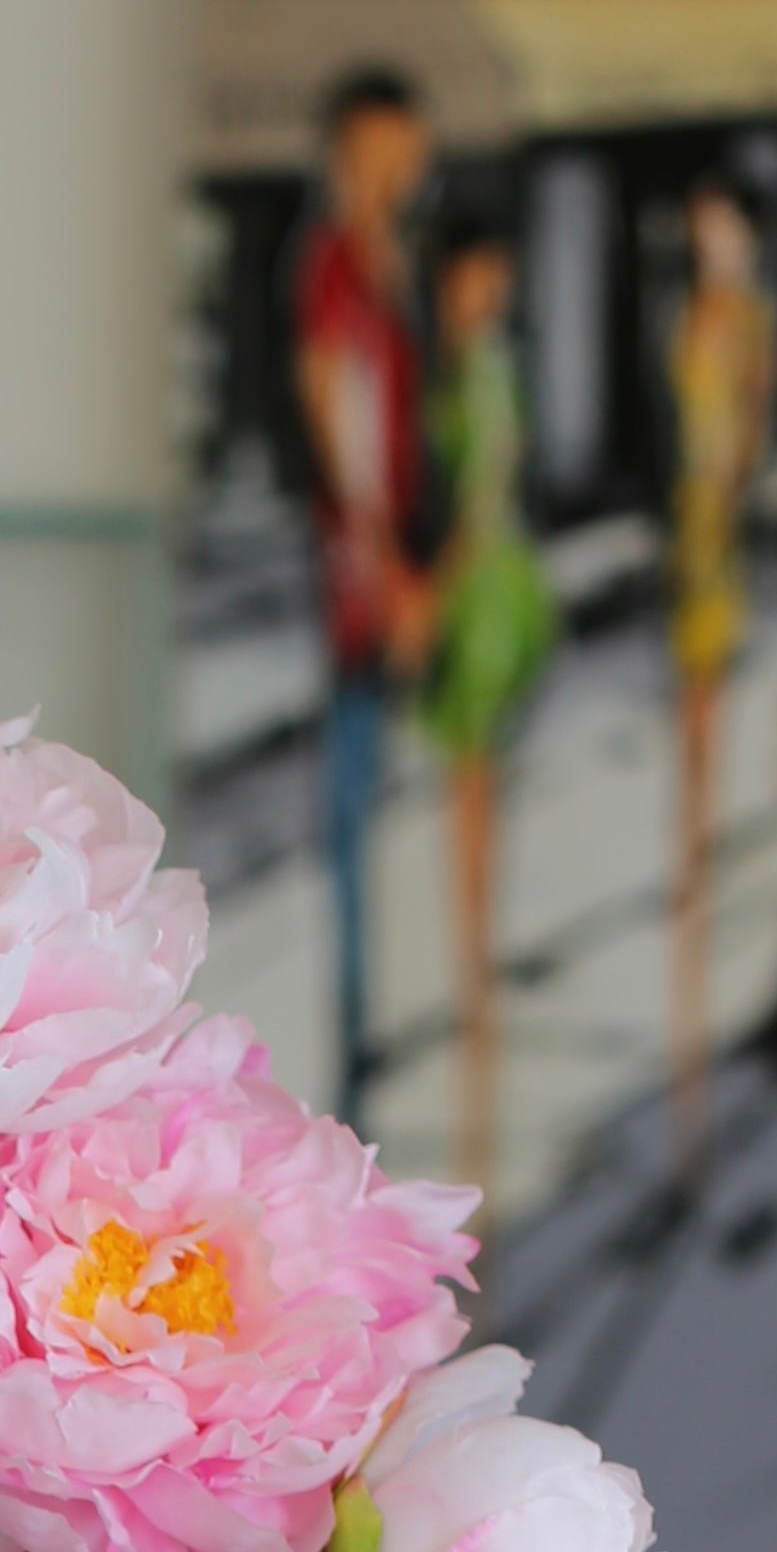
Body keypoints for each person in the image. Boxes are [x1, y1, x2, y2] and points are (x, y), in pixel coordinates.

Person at [294, 63, 437, 1122]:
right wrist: (385, 562)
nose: (406, 163)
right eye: (391, 143)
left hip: (382, 555)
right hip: (359, 564)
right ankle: (353, 1019)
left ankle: (371, 1002)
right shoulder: (339, 264)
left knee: (373, 775)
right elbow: (342, 415)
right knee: (352, 785)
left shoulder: (386, 263)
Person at [418, 211, 559, 1208]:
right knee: (466, 765)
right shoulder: (450, 376)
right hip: (473, 582)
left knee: (484, 764)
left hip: (494, 582)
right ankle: (471, 946)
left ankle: (481, 942)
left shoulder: (487, 370)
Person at [668, 174, 777, 1162]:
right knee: (686, 706)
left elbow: (744, 435)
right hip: (687, 532)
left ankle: (703, 855)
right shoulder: (692, 316)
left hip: (714, 536)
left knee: (707, 702)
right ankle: (692, 854)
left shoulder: (744, 324)